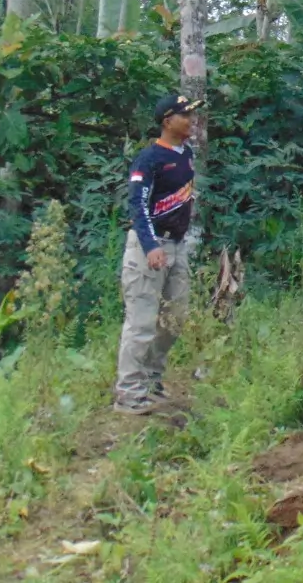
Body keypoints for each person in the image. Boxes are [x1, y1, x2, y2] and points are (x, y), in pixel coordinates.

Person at [114, 93, 201, 414]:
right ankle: (129, 393)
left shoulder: (186, 153)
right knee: (141, 323)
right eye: (185, 115)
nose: (191, 121)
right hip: (148, 247)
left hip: (177, 246)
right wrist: (151, 246)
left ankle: (152, 378)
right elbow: (137, 205)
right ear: (167, 122)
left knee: (175, 319)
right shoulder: (148, 159)